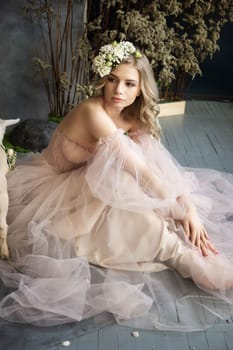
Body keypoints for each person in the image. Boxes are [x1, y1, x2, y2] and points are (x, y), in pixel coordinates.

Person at [0, 41, 233, 330]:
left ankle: (180, 249)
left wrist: (188, 207)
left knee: (125, 184)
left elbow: (158, 167)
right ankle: (179, 256)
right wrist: (181, 208)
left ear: (140, 89)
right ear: (103, 80)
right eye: (112, 80)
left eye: (129, 83)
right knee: (121, 177)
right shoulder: (92, 112)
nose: (118, 91)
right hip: (49, 189)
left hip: (87, 183)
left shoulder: (131, 117)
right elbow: (140, 171)